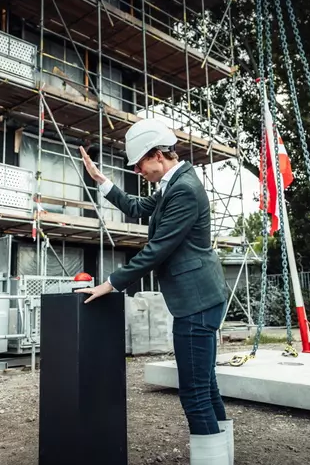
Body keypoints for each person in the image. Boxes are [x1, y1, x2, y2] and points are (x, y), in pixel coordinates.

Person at [77, 118, 233, 465]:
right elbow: (137, 208)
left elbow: (158, 249)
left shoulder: (184, 190)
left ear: (159, 156)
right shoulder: (170, 185)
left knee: (193, 394)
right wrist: (102, 181)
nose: (137, 170)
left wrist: (111, 283)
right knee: (206, 388)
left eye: (140, 164)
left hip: (196, 301)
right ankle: (223, 457)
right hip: (200, 297)